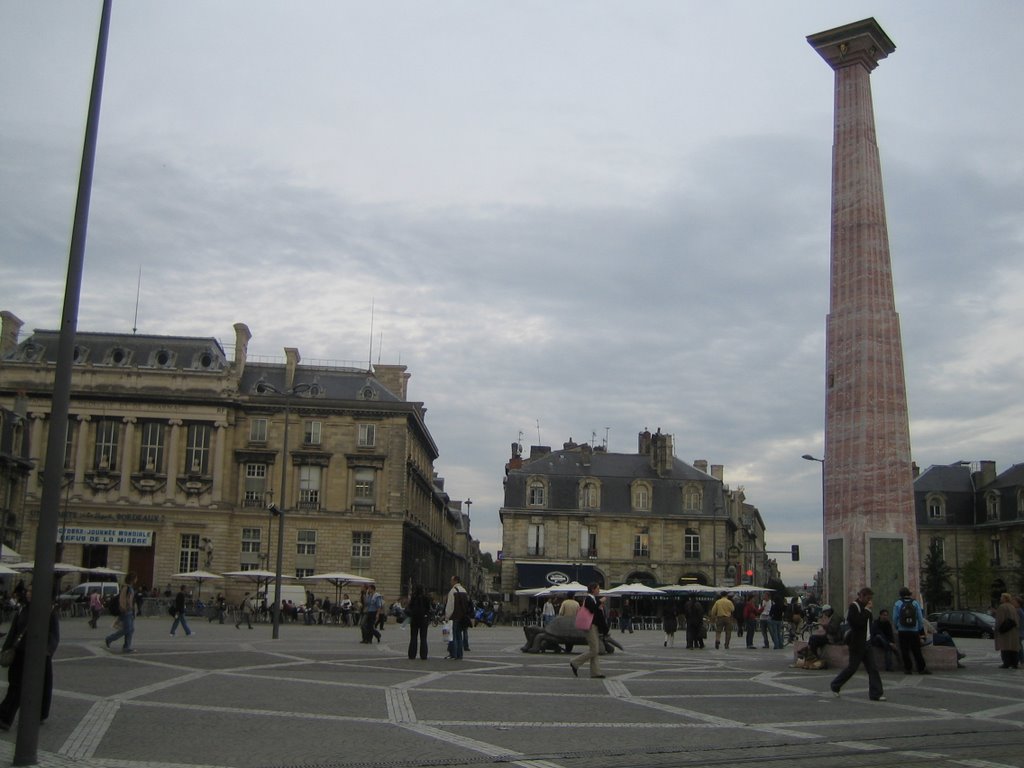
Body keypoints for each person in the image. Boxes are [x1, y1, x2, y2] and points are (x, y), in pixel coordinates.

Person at [0, 584, 60, 730]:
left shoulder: (48, 611)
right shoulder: (22, 609)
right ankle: (4, 716)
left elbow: (54, 635)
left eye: (32, 591)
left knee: (35, 687)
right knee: (15, 686)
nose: (28, 593)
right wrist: (6, 649)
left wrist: (47, 651)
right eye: (28, 590)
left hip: (37, 656)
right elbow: (14, 631)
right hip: (19, 653)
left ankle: (6, 717)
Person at [830, 587, 885, 701]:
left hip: (867, 643)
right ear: (862, 596)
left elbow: (868, 624)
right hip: (857, 644)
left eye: (871, 599)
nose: (870, 601)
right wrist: (867, 611)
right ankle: (835, 685)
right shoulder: (854, 607)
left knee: (873, 669)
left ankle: (876, 694)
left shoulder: (866, 608)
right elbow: (856, 623)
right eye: (868, 598)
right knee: (852, 668)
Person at [569, 582, 610, 678]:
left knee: (594, 649)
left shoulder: (593, 599)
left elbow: (597, 613)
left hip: (594, 626)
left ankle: (595, 672)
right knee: (594, 650)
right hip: (590, 626)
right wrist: (600, 602)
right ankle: (575, 662)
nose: (599, 590)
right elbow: (592, 609)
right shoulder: (588, 599)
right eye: (598, 588)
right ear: (593, 589)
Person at [892, 587, 929, 675]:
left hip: (902, 630)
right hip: (914, 630)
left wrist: (897, 626)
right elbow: (920, 618)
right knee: (916, 650)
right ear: (909, 594)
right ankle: (921, 668)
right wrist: (919, 629)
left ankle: (908, 668)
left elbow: (895, 618)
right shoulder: (915, 603)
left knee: (905, 650)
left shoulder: (898, 603)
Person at [105, 572, 138, 653]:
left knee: (131, 629)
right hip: (126, 611)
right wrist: (124, 608)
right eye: (136, 578)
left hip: (130, 611)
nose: (137, 579)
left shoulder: (130, 588)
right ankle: (109, 639)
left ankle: (127, 647)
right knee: (127, 629)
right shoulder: (126, 588)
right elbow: (122, 599)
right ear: (132, 579)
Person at [444, 576, 470, 659]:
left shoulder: (453, 591)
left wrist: (447, 616)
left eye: (451, 580)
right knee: (459, 636)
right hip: (462, 617)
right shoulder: (464, 590)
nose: (450, 582)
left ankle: (454, 654)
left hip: (454, 616)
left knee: (453, 636)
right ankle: (460, 654)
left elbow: (450, 606)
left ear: (455, 581)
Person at [994, 592, 1020, 669]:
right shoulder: (1012, 607)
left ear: (1005, 598)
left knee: (1005, 646)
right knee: (1013, 647)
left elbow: (1000, 619)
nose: (1000, 599)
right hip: (1013, 630)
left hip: (1005, 630)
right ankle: (1014, 663)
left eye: (1001, 597)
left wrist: (997, 628)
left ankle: (1006, 663)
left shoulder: (1002, 607)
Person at [406, 584, 431, 660]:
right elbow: (428, 608)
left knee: (413, 637)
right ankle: (423, 655)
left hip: (414, 619)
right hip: (423, 619)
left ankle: (412, 654)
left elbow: (409, 607)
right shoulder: (426, 598)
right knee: (423, 638)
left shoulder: (413, 597)